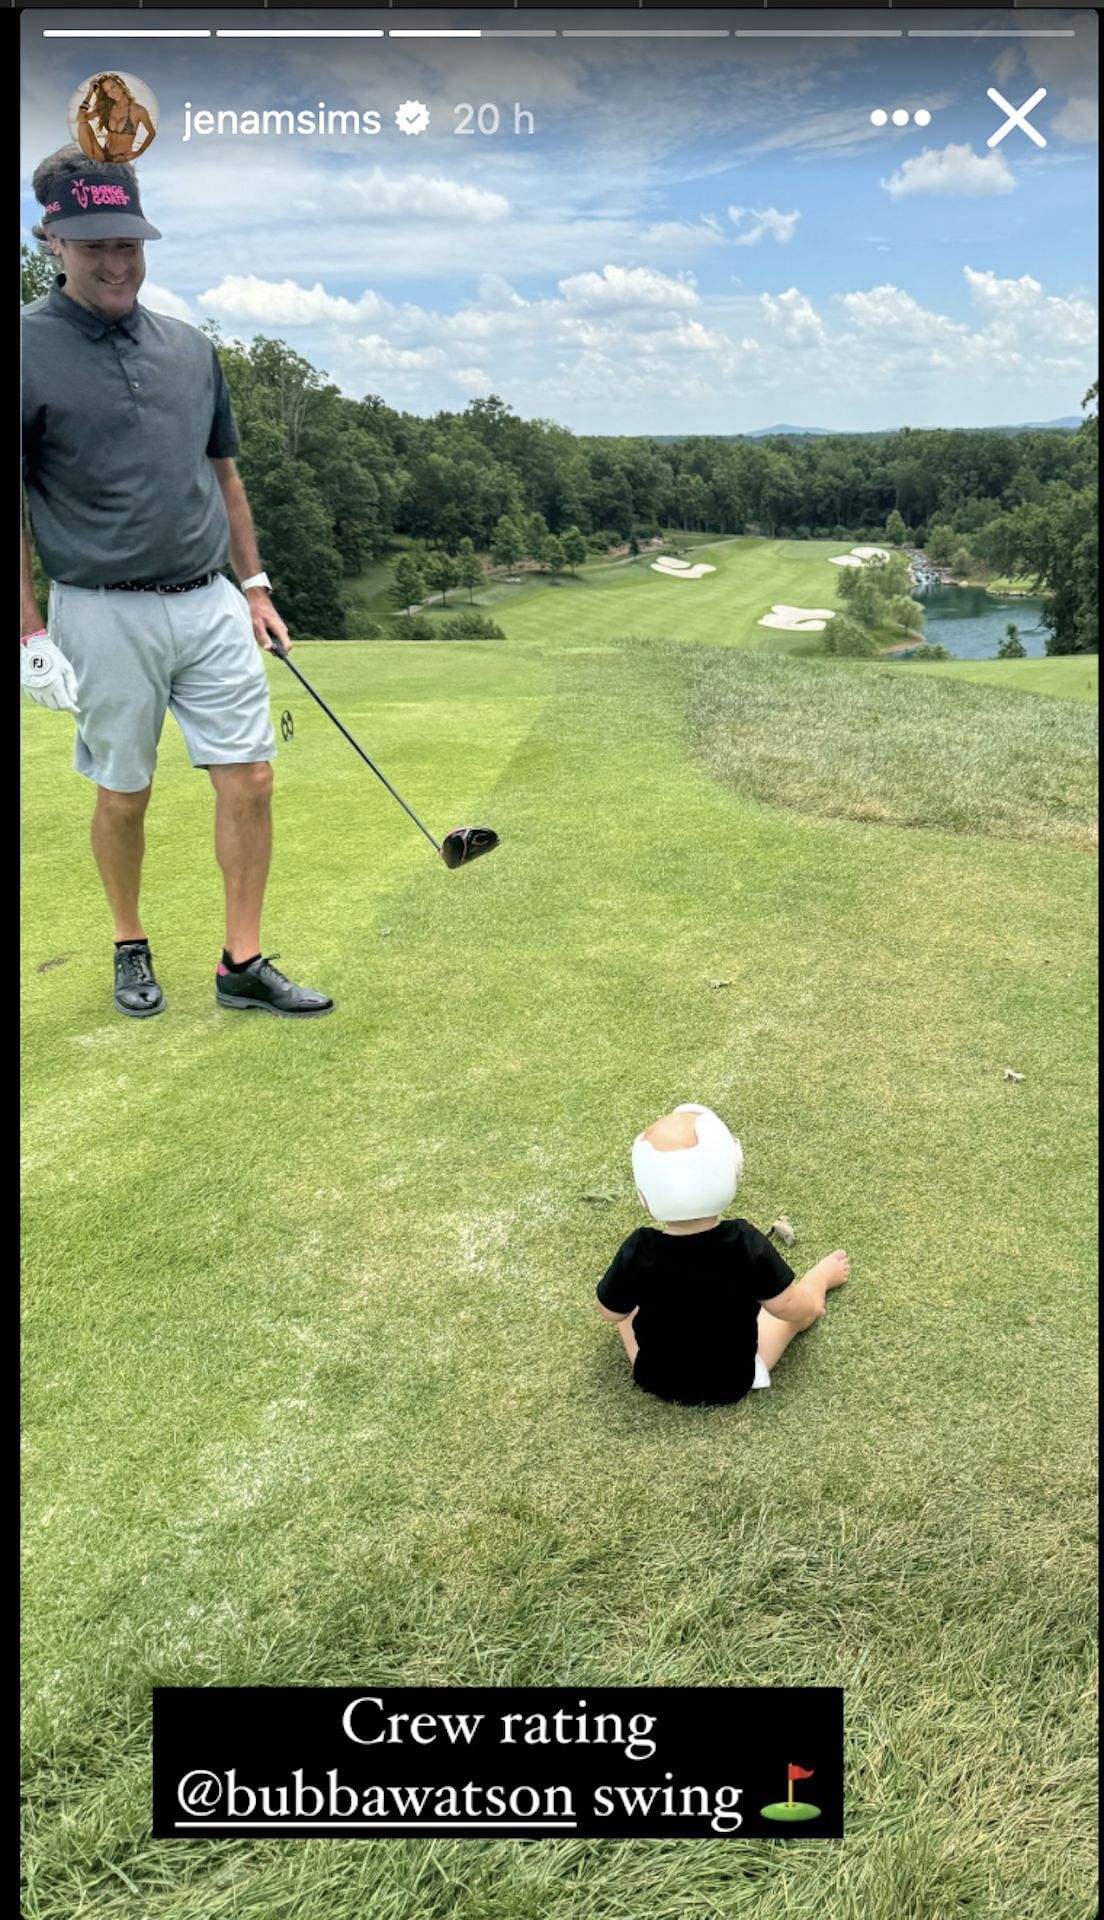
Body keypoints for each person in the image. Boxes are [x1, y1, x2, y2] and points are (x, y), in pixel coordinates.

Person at [21, 147, 333, 1020]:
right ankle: (129, 941)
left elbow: (222, 476)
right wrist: (29, 633)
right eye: (95, 247)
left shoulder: (190, 349)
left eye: (130, 243)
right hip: (100, 608)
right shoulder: (24, 349)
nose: (117, 263)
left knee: (253, 780)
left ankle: (242, 962)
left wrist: (258, 588)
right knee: (125, 793)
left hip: (209, 601)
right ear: (52, 240)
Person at [596, 1103, 849, 1406]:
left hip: (655, 1376)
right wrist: (806, 1304)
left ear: (645, 1196)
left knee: (625, 1308)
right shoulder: (744, 1242)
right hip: (733, 1378)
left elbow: (611, 1312)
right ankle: (818, 1281)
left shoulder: (639, 1248)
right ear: (733, 1173)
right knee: (789, 1311)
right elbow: (787, 1306)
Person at [75, 74, 156, 165]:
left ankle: (92, 165)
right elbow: (80, 119)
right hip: (102, 154)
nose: (112, 93)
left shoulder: (139, 110)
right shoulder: (107, 108)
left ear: (121, 84)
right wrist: (90, 93)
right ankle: (91, 164)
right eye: (107, 91)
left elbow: (151, 133)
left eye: (113, 87)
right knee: (82, 126)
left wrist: (139, 152)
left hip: (120, 159)